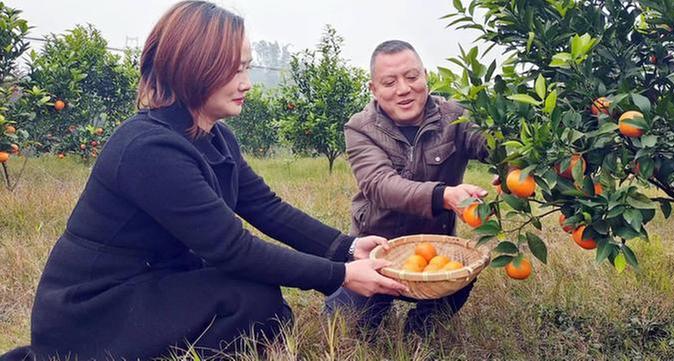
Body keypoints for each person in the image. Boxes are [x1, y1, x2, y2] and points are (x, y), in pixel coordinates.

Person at [0, 2, 406, 360]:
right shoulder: (148, 147)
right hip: (94, 310)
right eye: (235, 68)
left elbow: (265, 207)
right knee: (254, 301)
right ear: (193, 66)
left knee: (260, 304)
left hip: (152, 281)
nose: (246, 81)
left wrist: (347, 247)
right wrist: (341, 276)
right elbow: (232, 248)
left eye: (246, 66)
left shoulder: (213, 136)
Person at [324, 40, 488, 337]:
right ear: (374, 89)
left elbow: (492, 145)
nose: (403, 89)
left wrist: (513, 162)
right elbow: (380, 185)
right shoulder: (360, 127)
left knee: (453, 286)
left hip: (433, 252)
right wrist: (444, 195)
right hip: (378, 252)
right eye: (390, 82)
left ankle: (420, 326)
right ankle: (375, 302)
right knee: (345, 327)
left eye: (412, 77)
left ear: (425, 75)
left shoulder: (456, 117)